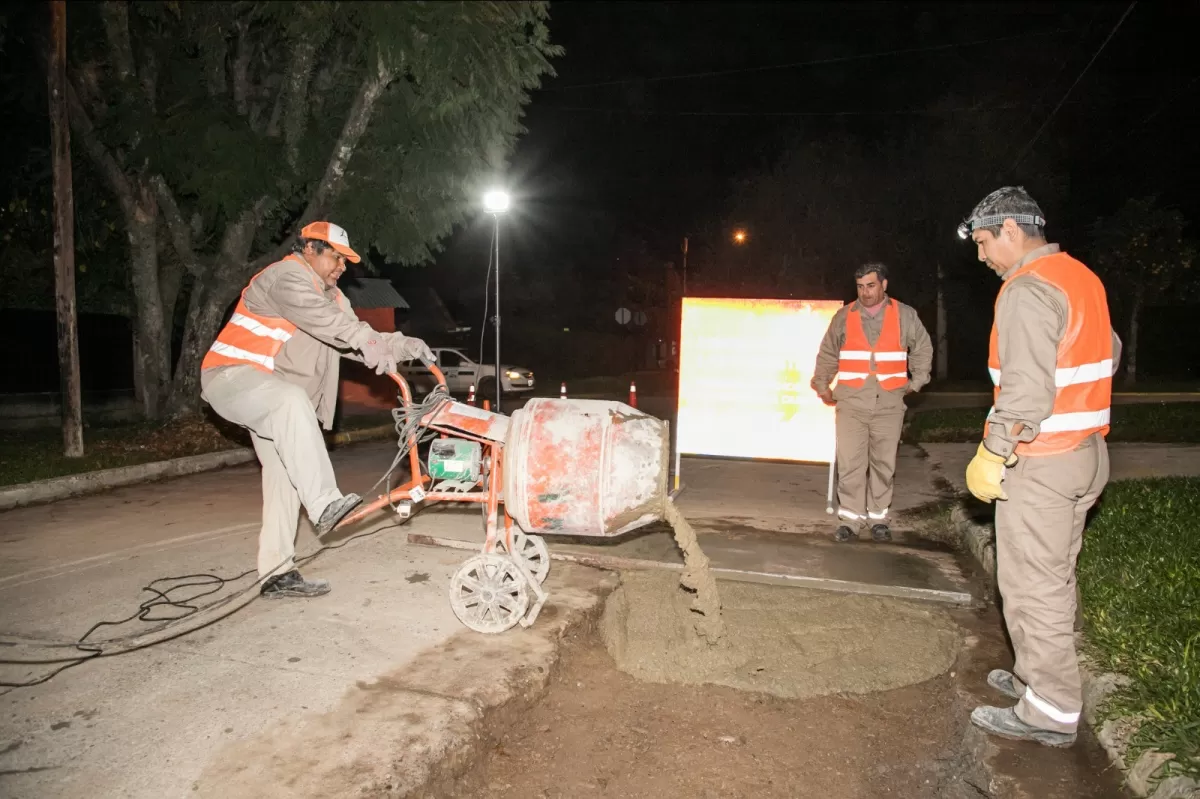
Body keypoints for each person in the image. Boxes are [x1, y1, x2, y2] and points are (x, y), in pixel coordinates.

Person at [959, 187, 1121, 747]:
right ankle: (1037, 679)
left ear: (1009, 230)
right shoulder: (1079, 277)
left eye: (983, 242)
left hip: (1044, 461)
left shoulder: (1025, 290)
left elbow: (1026, 393)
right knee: (1055, 576)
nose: (981, 257)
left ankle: (1050, 711)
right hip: (1086, 454)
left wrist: (992, 452)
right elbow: (1110, 351)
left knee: (1032, 587)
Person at [200, 221, 433, 599]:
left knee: (285, 482)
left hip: (266, 392)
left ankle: (276, 573)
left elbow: (349, 335)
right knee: (290, 399)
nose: (342, 266)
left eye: (346, 260)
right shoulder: (285, 277)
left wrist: (403, 345)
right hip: (230, 376)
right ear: (309, 248)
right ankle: (325, 504)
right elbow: (327, 323)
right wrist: (366, 340)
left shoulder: (333, 298)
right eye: (335, 256)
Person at [811, 262, 933, 542]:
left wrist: (917, 381)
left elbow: (922, 348)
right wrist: (822, 385)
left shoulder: (905, 315)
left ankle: (879, 518)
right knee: (851, 462)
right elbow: (828, 352)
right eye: (860, 287)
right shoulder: (844, 316)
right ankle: (850, 520)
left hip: (889, 403)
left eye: (871, 286)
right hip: (852, 403)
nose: (865, 293)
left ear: (884, 285)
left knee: (883, 463)